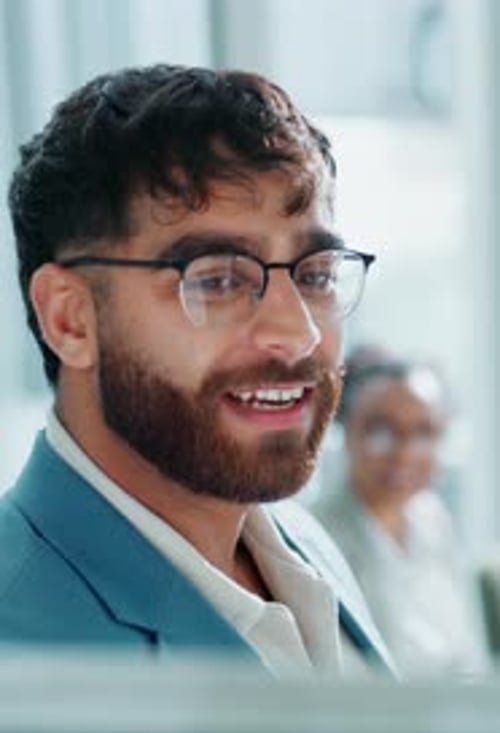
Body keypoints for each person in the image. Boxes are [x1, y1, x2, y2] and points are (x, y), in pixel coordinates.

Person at [0, 64, 393, 678]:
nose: (298, 333)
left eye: (314, 273)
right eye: (218, 279)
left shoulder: (304, 547)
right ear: (70, 320)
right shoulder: (19, 652)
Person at [311, 346, 488, 677]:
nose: (404, 453)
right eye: (381, 432)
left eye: (424, 432)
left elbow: (469, 653)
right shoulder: (316, 538)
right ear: (346, 433)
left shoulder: (434, 522)